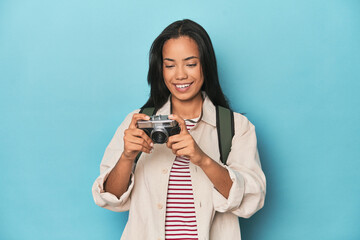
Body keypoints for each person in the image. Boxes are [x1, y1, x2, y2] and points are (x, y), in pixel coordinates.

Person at [92, 19, 266, 240]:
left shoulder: (235, 127)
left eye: (190, 64)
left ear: (206, 65)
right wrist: (127, 157)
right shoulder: (138, 121)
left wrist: (202, 158)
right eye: (170, 65)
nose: (180, 75)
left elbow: (251, 199)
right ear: (160, 69)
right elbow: (109, 198)